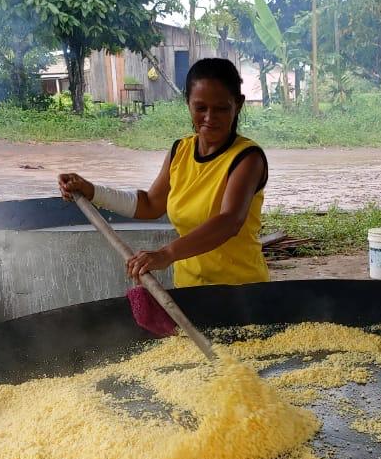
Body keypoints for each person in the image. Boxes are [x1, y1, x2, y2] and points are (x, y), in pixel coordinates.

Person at [59, 58, 269, 288]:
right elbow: (150, 204)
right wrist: (92, 191)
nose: (209, 118)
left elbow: (229, 222)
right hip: (189, 290)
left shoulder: (247, 158)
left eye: (221, 108)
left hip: (242, 292)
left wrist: (166, 254)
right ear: (187, 103)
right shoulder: (180, 151)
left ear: (238, 104)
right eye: (201, 108)